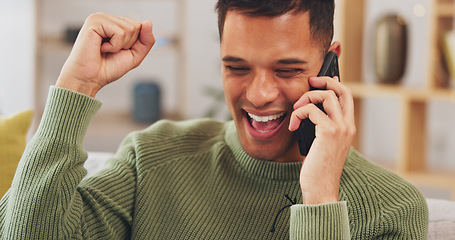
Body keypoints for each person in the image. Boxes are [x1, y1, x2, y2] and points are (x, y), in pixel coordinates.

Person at [0, 0, 428, 239]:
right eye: (237, 67)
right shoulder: (152, 159)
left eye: (287, 70)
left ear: (330, 63)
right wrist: (76, 86)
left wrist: (319, 199)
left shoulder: (395, 210)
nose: (259, 95)